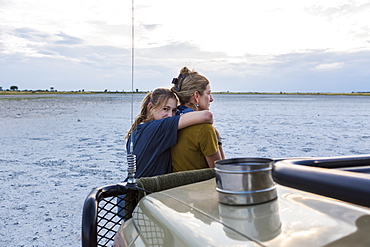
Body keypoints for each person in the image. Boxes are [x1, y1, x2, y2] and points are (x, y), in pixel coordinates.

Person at [125, 87, 213, 178]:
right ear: (151, 107)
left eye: (174, 110)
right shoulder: (159, 127)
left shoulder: (138, 130)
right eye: (165, 109)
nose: (170, 115)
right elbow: (207, 115)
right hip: (146, 189)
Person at [171, 67, 225, 172]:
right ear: (196, 96)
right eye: (208, 93)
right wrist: (218, 140)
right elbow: (220, 172)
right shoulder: (205, 129)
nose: (211, 99)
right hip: (197, 187)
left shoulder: (170, 122)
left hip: (175, 186)